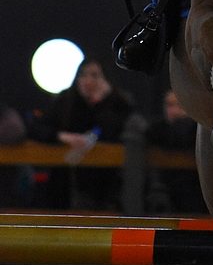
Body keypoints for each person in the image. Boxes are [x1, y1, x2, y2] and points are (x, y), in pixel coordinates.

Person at [28, 57, 135, 210]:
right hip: (66, 183)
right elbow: (36, 128)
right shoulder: (66, 100)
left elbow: (115, 129)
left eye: (95, 75)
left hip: (106, 184)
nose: (88, 81)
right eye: (83, 75)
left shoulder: (119, 102)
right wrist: (61, 136)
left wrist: (102, 102)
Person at [144, 89, 208, 215]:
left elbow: (181, 136)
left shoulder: (198, 130)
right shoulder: (157, 129)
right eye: (169, 105)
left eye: (179, 105)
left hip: (194, 193)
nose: (173, 110)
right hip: (165, 192)